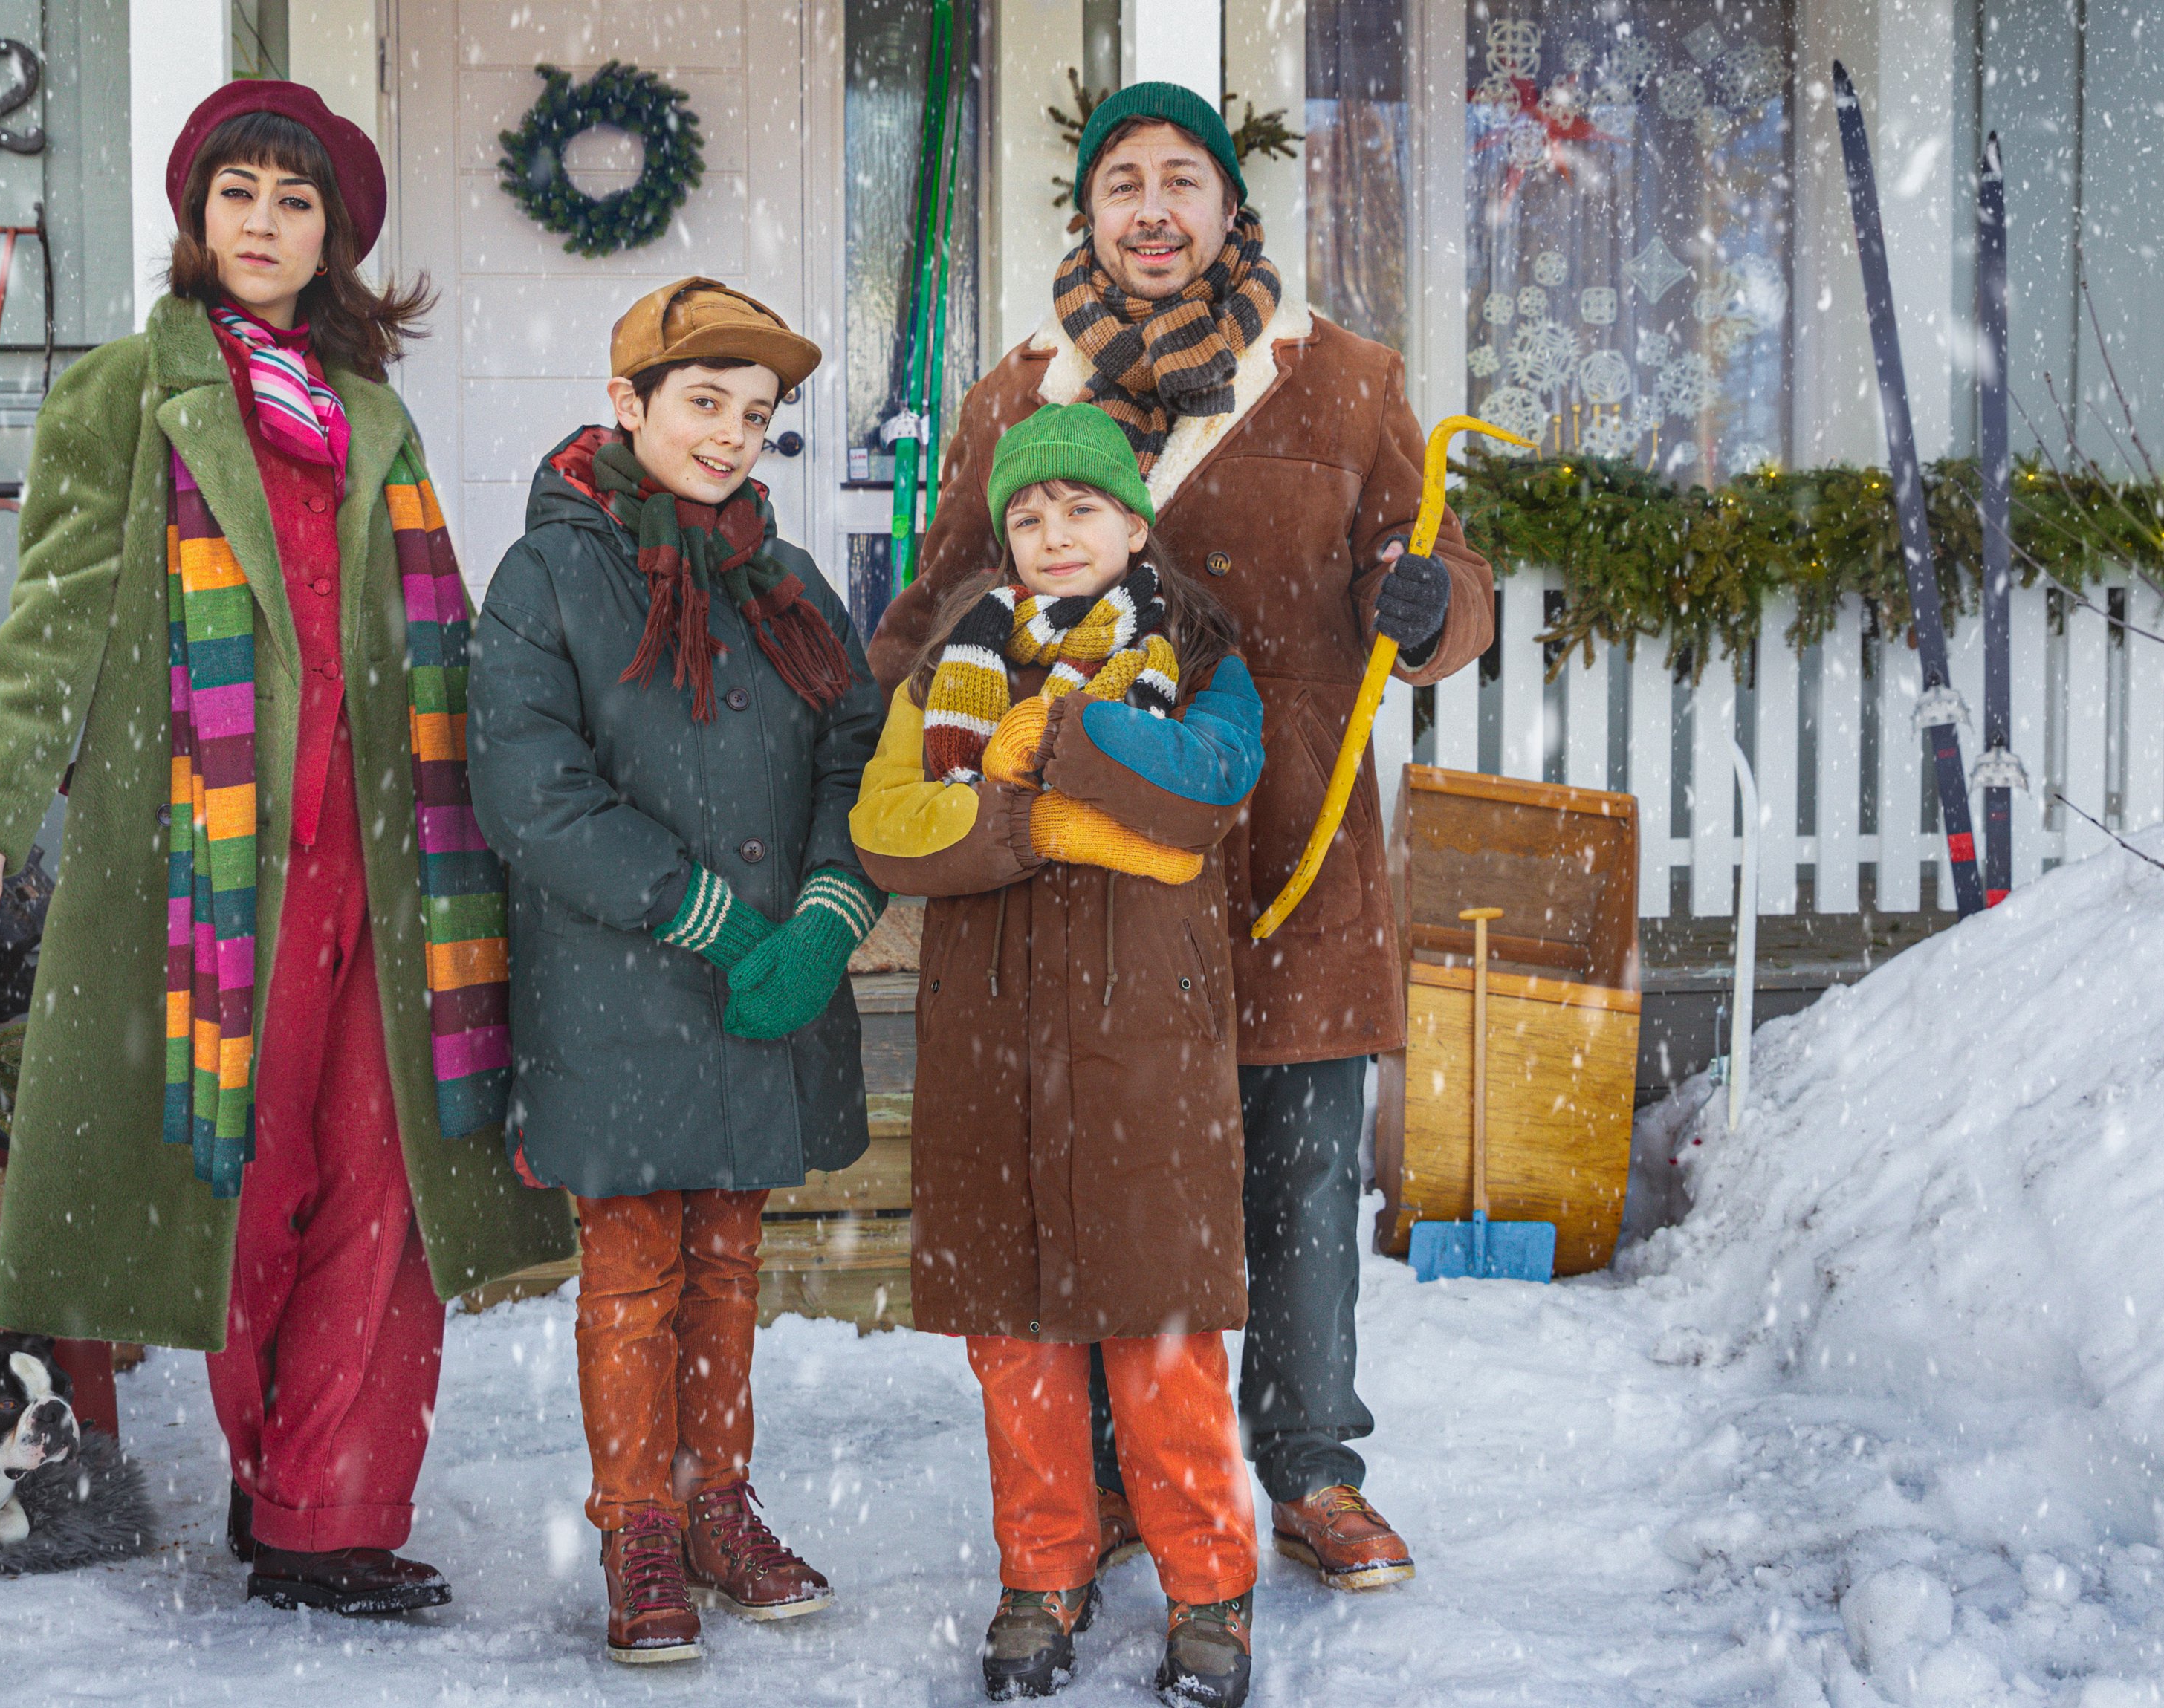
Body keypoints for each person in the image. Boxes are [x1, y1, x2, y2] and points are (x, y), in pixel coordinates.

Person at [0, 79, 571, 1620]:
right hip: (210, 876)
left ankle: (324, 1518)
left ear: (333, 237)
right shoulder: (126, 397)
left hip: (392, 858)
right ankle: (271, 1468)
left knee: (383, 1182)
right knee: (240, 1185)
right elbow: (54, 623)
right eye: (238, 196)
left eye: (294, 201)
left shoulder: (372, 414)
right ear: (196, 219)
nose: (263, 224)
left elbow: (442, 640)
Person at [864, 82, 1497, 1592]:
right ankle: (1107, 1477)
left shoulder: (1339, 382)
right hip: (1084, 887)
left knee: (1292, 1181)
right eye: (1120, 184)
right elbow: (943, 600)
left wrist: (1431, 613)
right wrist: (888, 737)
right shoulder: (1020, 398)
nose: (1151, 209)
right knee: (1096, 1177)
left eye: (1180, 181)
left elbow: (1440, 569)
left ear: (1228, 207)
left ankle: (1311, 1469)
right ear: (1083, 216)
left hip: (1290, 862)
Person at [466, 278, 887, 1666]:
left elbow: (856, 747)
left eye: (756, 417)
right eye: (703, 403)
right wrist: (701, 911)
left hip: (769, 981)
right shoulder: (548, 578)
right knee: (634, 1271)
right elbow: (531, 789)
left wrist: (827, 907)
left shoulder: (785, 576)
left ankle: (720, 1503)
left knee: (729, 1259)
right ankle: (640, 1519)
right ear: (628, 403)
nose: (728, 438)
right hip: (624, 990)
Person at [854, 403, 1269, 1707]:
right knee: (1015, 1340)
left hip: (1148, 1041)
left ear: (1134, 522)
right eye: (1027, 516)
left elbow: (1205, 790)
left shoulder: (1198, 650)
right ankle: (1044, 1569)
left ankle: (1209, 1585)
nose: (1051, 534)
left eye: (1079, 508)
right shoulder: (951, 662)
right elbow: (890, 826)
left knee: (1163, 1336)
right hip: (987, 1041)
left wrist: (1066, 740)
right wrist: (1039, 826)